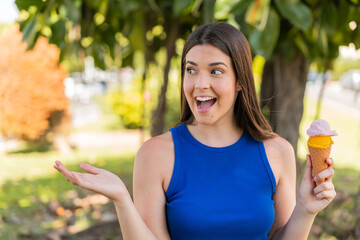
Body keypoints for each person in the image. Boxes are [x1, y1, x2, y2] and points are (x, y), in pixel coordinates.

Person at [54, 22, 336, 240]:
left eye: (215, 71)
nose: (200, 83)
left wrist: (306, 209)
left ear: (240, 82)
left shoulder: (277, 152)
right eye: (191, 70)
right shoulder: (156, 154)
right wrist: (121, 199)